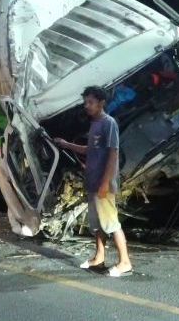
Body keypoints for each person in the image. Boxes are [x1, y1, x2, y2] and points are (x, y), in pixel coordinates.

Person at [53, 86, 132, 277]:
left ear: (101, 103)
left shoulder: (108, 123)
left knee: (112, 224)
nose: (86, 106)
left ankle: (125, 263)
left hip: (103, 184)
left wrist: (105, 183)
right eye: (85, 102)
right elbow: (89, 150)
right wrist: (66, 144)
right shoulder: (95, 124)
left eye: (90, 102)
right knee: (97, 225)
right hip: (92, 182)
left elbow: (113, 155)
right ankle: (99, 257)